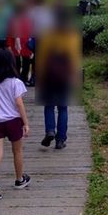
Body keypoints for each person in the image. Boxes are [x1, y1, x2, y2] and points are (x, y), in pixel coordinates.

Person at [0, 48, 30, 202]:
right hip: (13, 121)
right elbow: (19, 104)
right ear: (11, 63)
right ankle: (19, 179)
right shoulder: (16, 83)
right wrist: (25, 123)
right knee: (17, 152)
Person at [36, 8, 81, 150]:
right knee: (63, 108)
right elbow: (74, 58)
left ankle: (50, 130)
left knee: (49, 105)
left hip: (49, 74)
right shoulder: (72, 36)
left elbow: (42, 56)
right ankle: (60, 140)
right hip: (65, 74)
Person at [6, 4, 34, 85]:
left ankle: (19, 78)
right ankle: (20, 78)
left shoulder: (19, 18)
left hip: (24, 41)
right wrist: (17, 42)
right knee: (22, 61)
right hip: (19, 42)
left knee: (20, 61)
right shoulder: (19, 18)